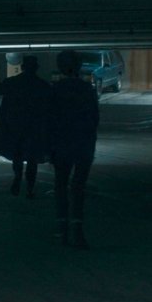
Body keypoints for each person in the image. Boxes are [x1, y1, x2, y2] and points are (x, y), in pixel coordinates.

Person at [50, 50, 99, 249]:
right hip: (82, 144)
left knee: (61, 186)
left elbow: (49, 120)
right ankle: (78, 230)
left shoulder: (55, 90)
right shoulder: (87, 89)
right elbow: (93, 119)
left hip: (61, 144)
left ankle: (63, 230)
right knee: (78, 188)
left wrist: (48, 146)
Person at [0, 55, 51, 199]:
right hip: (34, 128)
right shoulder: (42, 86)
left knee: (17, 156)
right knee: (32, 159)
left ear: (22, 67)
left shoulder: (13, 83)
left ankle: (17, 178)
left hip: (15, 126)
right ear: (36, 68)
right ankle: (30, 188)